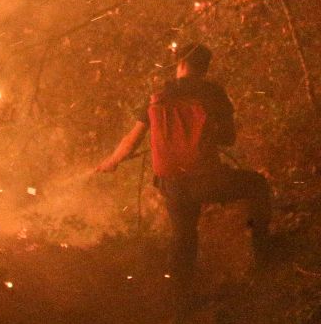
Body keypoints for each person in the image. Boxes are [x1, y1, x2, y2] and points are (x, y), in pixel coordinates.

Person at [95, 43, 275, 291]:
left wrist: (110, 162)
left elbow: (130, 141)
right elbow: (228, 138)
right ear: (205, 68)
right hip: (208, 180)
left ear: (179, 63)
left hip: (172, 186)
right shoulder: (213, 93)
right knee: (257, 185)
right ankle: (265, 256)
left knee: (183, 237)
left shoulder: (157, 97)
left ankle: (181, 301)